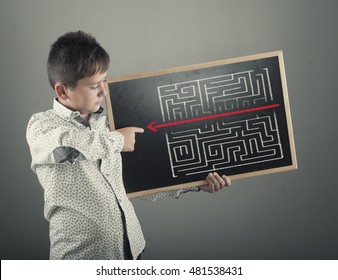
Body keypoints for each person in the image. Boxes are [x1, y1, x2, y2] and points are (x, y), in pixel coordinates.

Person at [26, 31, 231, 260]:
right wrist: (117, 140)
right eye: (94, 85)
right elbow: (67, 149)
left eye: (105, 80)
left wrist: (196, 184)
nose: (104, 91)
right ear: (63, 90)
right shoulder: (41, 125)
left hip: (132, 250)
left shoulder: (109, 122)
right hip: (80, 258)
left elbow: (139, 180)